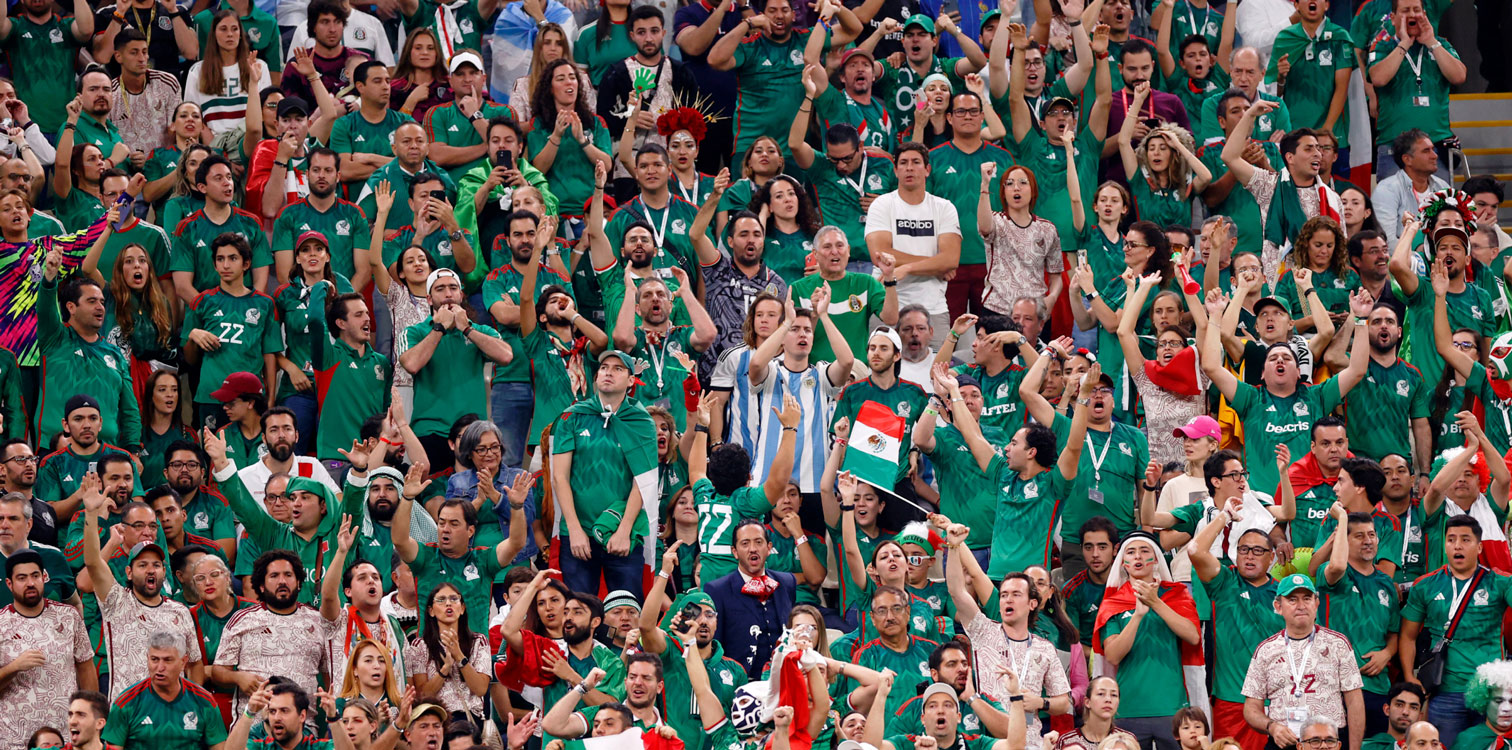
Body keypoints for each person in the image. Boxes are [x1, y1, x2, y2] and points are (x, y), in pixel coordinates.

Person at [1182, 470, 1284, 750]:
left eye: (1258, 551)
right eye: (1243, 550)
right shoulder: (1225, 582)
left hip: (1276, 701)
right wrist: (1224, 516)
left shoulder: (1284, 594)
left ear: (1272, 558)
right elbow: (1195, 551)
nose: (1249, 556)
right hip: (1231, 700)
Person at [79, 471, 202, 698]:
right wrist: (91, 514)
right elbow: (92, 564)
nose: (150, 570)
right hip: (128, 706)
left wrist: (193, 702)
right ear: (129, 571)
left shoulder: (180, 611)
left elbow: (194, 663)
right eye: (142, 565)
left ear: (164, 570)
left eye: (155, 565)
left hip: (171, 706)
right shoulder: (117, 600)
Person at [944, 530, 1071, 745]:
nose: (1007, 600)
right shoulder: (983, 630)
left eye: (1016, 594)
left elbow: (1064, 702)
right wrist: (954, 547)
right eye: (1004, 595)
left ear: (1032, 604)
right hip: (988, 741)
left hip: (1030, 742)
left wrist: (1040, 702)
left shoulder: (1045, 648)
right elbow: (956, 591)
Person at [552, 349, 658, 595]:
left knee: (627, 609)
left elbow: (643, 481)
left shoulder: (641, 422)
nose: (608, 372)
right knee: (578, 608)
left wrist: (624, 530)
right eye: (604, 367)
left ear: (631, 380)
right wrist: (574, 529)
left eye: (618, 368)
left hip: (622, 531)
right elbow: (560, 477)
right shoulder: (572, 416)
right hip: (578, 533)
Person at [1092, 532, 1205, 750]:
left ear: (1156, 560)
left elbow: (1193, 636)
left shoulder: (1177, 594)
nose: (1138, 557)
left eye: (1145, 551)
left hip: (1173, 708)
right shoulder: (1113, 602)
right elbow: (1113, 655)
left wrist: (1155, 603)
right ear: (1122, 562)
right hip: (1128, 708)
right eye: (1131, 552)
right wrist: (1137, 615)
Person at [1242, 571, 1366, 750]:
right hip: (1285, 741)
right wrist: (1272, 727)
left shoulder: (1338, 644)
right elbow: (1251, 708)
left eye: (1307, 598)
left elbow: (1355, 702)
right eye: (1292, 600)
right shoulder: (1265, 650)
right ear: (1278, 606)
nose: (1301, 606)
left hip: (1328, 742)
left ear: (1316, 603)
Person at [398, 269, 510, 467]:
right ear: (429, 299)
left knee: (478, 486)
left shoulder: (479, 330)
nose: (448, 294)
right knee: (434, 488)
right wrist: (439, 328)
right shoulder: (414, 332)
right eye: (440, 289)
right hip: (430, 429)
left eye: (453, 288)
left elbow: (506, 356)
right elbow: (412, 364)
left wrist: (467, 329)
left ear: (461, 294)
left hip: (473, 432)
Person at [1219, 105, 1342, 284]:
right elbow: (1229, 157)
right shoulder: (1269, 186)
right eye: (1309, 149)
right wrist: (1250, 114)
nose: (1317, 154)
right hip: (1279, 285)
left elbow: (1341, 249)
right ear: (1290, 157)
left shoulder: (1332, 199)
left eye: (1318, 148)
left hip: (1321, 285)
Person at [36, 246, 141, 452]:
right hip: (57, 451)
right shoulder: (55, 338)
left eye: (102, 302)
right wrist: (49, 278)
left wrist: (134, 448)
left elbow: (130, 410)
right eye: (92, 301)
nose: (100, 307)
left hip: (106, 454)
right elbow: (45, 309)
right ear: (71, 307)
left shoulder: (115, 354)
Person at [210, 549, 331, 716]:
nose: (282, 581)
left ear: (298, 583)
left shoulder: (318, 621)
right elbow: (218, 672)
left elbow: (329, 675)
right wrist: (238, 677)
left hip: (303, 724)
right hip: (252, 724)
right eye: (274, 576)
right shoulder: (242, 620)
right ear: (261, 585)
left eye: (288, 575)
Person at [863, 141, 961, 340]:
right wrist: (936, 265)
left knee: (937, 361)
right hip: (886, 305)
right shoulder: (882, 205)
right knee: (882, 360)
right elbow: (880, 255)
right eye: (903, 163)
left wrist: (906, 268)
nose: (909, 167)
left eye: (916, 162)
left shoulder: (944, 208)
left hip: (933, 308)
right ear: (895, 170)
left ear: (927, 170)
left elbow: (951, 259)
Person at [0, 549, 96, 750]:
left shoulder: (68, 616)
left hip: (64, 735)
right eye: (22, 578)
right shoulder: (2, 623)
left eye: (35, 576)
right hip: (14, 738)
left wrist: (90, 718)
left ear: (44, 577)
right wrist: (14, 667)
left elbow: (86, 668)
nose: (30, 583)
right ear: (9, 584)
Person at [1365, 0, 1464, 181]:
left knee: (1439, 200)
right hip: (1393, 147)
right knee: (1392, 200)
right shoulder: (1383, 46)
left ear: (1424, 15)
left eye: (1416, 10)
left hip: (1435, 146)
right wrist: (1404, 44)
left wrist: (1431, 42)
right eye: (1405, 10)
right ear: (1393, 18)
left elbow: (1459, 76)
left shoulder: (1440, 45)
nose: (1412, 15)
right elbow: (1378, 78)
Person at [702, 519, 799, 678]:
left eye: (758, 542)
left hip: (784, 677)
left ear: (769, 548)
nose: (753, 549)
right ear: (735, 552)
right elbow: (713, 646)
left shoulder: (787, 582)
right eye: (745, 543)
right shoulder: (717, 590)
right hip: (741, 680)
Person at [790, 225, 899, 362]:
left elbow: (891, 319)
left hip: (856, 370)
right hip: (814, 370)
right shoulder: (798, 289)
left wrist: (889, 278)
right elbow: (793, 341)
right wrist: (815, 314)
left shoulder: (866, 283)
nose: (834, 251)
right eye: (827, 247)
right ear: (815, 254)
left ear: (848, 251)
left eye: (840, 246)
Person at [100, 633, 227, 750]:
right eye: (154, 659)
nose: (160, 668)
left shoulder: (204, 702)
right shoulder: (126, 703)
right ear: (147, 659)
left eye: (168, 660)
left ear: (183, 662)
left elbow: (219, 747)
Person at [271, 149, 371, 289]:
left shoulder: (355, 214)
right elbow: (284, 275)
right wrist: (310, 300)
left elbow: (364, 272)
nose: (321, 175)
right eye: (316, 170)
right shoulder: (287, 215)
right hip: (302, 300)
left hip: (345, 299)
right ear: (307, 174)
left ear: (338, 176)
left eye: (328, 170)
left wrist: (342, 300)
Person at [332, 61, 416, 196]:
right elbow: (345, 171)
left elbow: (417, 165)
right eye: (377, 81)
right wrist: (399, 165)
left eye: (387, 81)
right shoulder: (344, 124)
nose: (385, 86)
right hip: (359, 206)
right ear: (360, 87)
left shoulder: (405, 123)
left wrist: (370, 158)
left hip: (401, 201)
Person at [184, 14, 271, 138]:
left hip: (249, 140)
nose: (230, 34)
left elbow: (266, 112)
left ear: (240, 34)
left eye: (234, 29)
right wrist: (213, 146)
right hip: (212, 143)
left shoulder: (259, 67)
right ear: (214, 34)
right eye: (223, 29)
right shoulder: (197, 71)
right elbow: (191, 115)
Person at [1372, 130, 1449, 246]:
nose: (1435, 156)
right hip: (1402, 256)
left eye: (1433, 149)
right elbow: (1386, 241)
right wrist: (1419, 254)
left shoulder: (1442, 187)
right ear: (1407, 159)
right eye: (1426, 151)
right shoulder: (1386, 190)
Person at [1362, 683, 1424, 750]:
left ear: (1419, 716)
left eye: (1413, 707)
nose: (1405, 712)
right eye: (1399, 705)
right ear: (1387, 710)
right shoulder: (1366, 747)